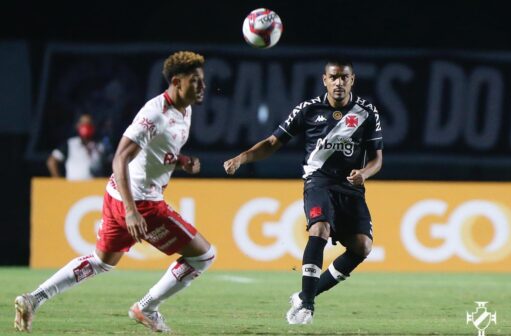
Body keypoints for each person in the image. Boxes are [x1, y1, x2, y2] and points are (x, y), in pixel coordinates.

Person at [15, 51, 215, 333]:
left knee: (101, 262)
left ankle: (33, 298)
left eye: (202, 80)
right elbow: (120, 157)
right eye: (195, 81)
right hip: (141, 203)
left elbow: (155, 152)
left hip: (117, 195)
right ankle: (146, 308)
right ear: (177, 81)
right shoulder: (154, 114)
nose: (202, 86)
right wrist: (132, 212)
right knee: (203, 256)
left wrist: (181, 161)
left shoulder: (186, 109)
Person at [224, 59, 383, 324]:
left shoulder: (366, 112)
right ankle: (306, 307)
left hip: (351, 187)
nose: (339, 83)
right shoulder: (308, 110)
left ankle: (305, 294)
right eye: (334, 77)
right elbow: (273, 142)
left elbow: (377, 159)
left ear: (352, 80)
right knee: (319, 228)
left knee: (362, 247)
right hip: (318, 182)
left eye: (344, 77)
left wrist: (363, 174)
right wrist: (242, 158)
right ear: (325, 80)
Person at [47, 113, 107, 180]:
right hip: (74, 188)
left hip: (95, 187)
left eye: (89, 123)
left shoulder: (101, 145)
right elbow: (52, 161)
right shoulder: (70, 144)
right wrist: (58, 182)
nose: (86, 126)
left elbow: (111, 163)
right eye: (83, 123)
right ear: (77, 125)